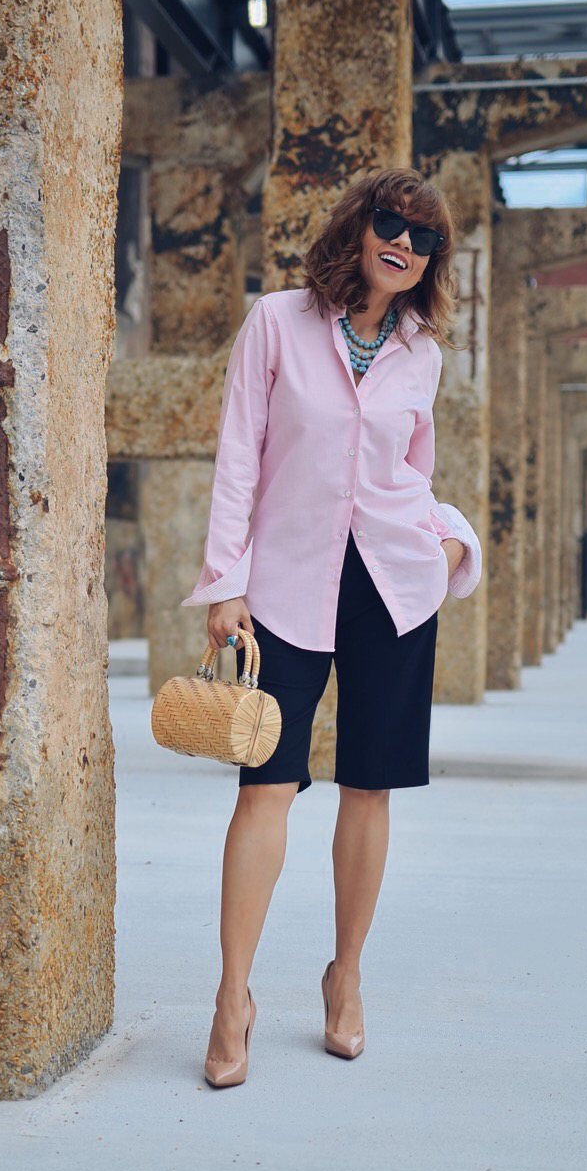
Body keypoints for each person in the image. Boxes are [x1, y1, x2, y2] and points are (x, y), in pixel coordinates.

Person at [180, 167, 482, 1088]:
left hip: (392, 587)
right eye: (394, 224)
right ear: (360, 226)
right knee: (264, 787)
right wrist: (226, 582)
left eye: (424, 238)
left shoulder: (422, 352)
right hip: (282, 589)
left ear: (432, 261)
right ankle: (233, 998)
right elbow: (240, 457)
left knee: (370, 787)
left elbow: (411, 475)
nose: (406, 245)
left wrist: (446, 547)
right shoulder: (277, 322)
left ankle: (345, 976)